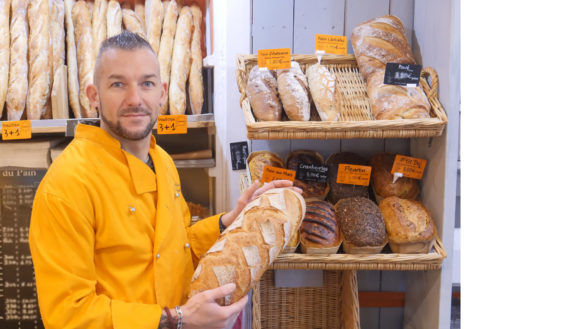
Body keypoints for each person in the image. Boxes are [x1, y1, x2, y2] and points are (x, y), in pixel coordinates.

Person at [29, 31, 300, 329]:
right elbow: (68, 314)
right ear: (93, 95)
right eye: (118, 84)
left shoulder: (163, 161)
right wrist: (177, 319)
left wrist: (228, 222)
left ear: (162, 92)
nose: (135, 99)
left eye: (146, 83)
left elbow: (176, 249)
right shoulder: (66, 185)